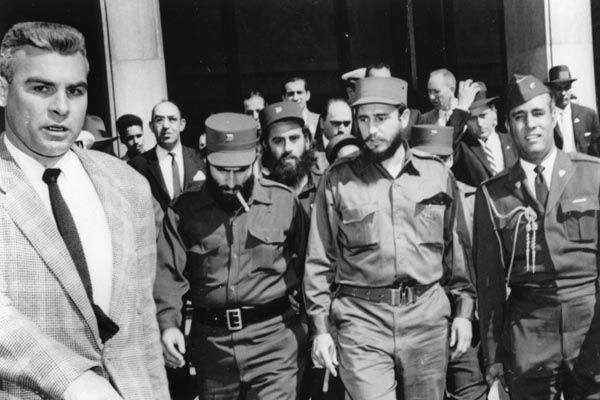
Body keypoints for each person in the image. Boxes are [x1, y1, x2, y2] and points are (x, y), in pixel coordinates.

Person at [0, 21, 169, 399]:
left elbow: (143, 327)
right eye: (41, 88)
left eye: (75, 91)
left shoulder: (128, 186)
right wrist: (75, 381)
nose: (61, 107)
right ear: (2, 90)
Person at [305, 77, 475, 399]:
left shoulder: (436, 174)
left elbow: (457, 254)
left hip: (426, 320)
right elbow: (319, 260)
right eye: (363, 119)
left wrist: (464, 313)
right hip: (362, 321)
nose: (371, 130)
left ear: (404, 117)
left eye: (381, 118)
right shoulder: (338, 180)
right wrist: (321, 330)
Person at [155, 112, 309, 399]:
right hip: (213, 353)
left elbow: (309, 268)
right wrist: (168, 325)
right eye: (221, 170)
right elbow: (167, 275)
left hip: (274, 346)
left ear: (256, 158)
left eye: (240, 170)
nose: (230, 181)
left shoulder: (285, 203)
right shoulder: (183, 211)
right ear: (205, 160)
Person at [475, 74, 600, 398]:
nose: (530, 124)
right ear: (508, 125)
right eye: (519, 116)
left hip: (590, 325)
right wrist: (493, 354)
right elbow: (489, 283)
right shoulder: (493, 194)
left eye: (537, 113)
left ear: (554, 116)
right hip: (529, 332)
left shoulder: (593, 175)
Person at [410, 125, 487, 400]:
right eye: (428, 159)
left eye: (442, 159)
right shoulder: (404, 203)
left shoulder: (476, 199)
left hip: (468, 318)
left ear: (452, 159)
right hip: (420, 319)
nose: (437, 167)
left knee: (470, 388)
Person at [128, 100, 205, 211]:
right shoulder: (137, 166)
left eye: (172, 119)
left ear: (182, 125)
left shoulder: (200, 159)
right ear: (151, 126)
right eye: (159, 120)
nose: (166, 126)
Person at [260, 101, 322, 216]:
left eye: (294, 138)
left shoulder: (325, 186)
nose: (287, 148)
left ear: (307, 141)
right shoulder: (260, 195)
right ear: (266, 146)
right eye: (278, 141)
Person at [452, 81, 518, 186]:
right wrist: (461, 108)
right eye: (472, 118)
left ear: (494, 113)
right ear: (466, 121)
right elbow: (447, 144)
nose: (479, 123)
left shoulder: (513, 140)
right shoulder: (462, 146)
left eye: (483, 116)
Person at [545, 65, 600, 156]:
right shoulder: (545, 117)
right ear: (551, 89)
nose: (563, 93)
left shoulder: (588, 115)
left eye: (567, 88)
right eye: (558, 88)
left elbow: (597, 150)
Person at [314, 98, 353, 169]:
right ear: (322, 123)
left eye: (346, 124)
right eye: (336, 123)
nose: (342, 129)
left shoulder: (358, 153)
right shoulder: (310, 152)